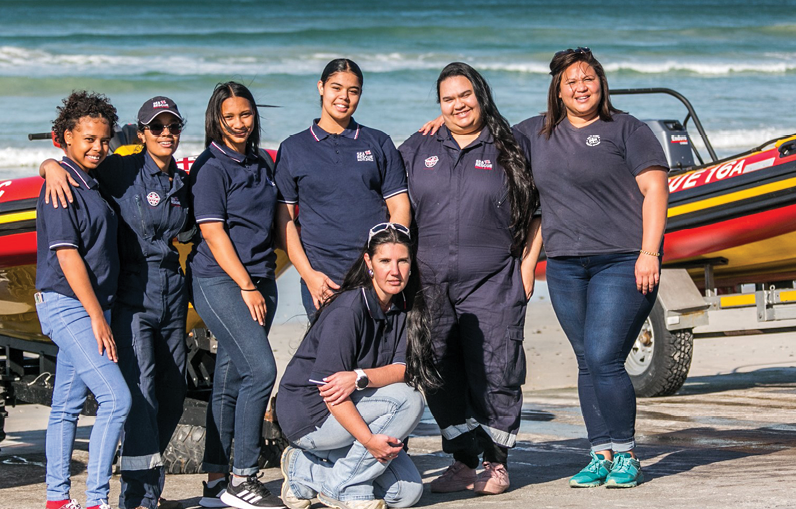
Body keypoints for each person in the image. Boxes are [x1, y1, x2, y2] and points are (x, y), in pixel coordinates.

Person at [514, 47, 669, 488]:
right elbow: (480, 132)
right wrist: (436, 128)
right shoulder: (536, 134)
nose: (581, 88)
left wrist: (649, 252)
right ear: (558, 91)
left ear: (601, 83)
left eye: (589, 79)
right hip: (564, 265)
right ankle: (598, 452)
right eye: (571, 82)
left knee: (604, 357)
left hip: (622, 260)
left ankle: (625, 453)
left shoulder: (627, 129)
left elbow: (656, 191)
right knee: (586, 361)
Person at [41, 96, 191, 509]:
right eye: (156, 127)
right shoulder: (109, 171)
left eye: (172, 127)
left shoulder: (174, 181)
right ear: (140, 134)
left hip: (160, 296)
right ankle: (116, 497)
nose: (166, 134)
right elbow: (67, 249)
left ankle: (66, 498)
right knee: (126, 397)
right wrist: (49, 165)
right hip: (109, 301)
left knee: (167, 394)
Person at [399, 62, 539, 496]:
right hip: (429, 284)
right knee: (436, 369)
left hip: (494, 282)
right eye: (448, 99)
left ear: (481, 95)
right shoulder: (418, 147)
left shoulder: (510, 147)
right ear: (439, 105)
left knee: (496, 371)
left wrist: (528, 268)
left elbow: (536, 216)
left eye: (465, 95)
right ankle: (462, 460)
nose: (459, 105)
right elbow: (385, 198)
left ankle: (495, 464)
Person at [276, 223, 440, 509]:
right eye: (385, 261)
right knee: (409, 400)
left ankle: (303, 469)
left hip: (350, 405)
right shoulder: (348, 310)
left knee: (405, 493)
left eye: (402, 261)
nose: (395, 270)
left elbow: (403, 369)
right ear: (369, 262)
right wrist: (369, 441)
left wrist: (359, 377)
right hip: (310, 416)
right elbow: (330, 393)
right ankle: (343, 488)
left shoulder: (401, 306)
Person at [187, 82, 283, 509]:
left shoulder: (261, 161)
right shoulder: (211, 167)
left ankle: (214, 484)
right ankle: (243, 477)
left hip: (261, 280)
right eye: (229, 116)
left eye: (245, 114)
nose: (239, 123)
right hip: (221, 281)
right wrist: (245, 286)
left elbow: (279, 220)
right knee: (261, 371)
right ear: (216, 119)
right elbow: (212, 231)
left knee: (229, 379)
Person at [35, 91, 131, 509]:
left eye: (103, 140)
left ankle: (58, 500)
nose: (98, 147)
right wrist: (98, 316)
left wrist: (51, 164)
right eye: (88, 139)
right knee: (116, 399)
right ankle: (96, 501)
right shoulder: (61, 186)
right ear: (66, 138)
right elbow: (67, 254)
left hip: (89, 304)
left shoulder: (90, 180)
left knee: (67, 405)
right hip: (67, 303)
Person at [275, 58, 412, 320]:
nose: (344, 97)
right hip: (322, 279)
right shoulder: (293, 148)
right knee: (331, 358)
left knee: (376, 357)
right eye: (336, 87)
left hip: (373, 275)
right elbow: (284, 220)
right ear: (321, 87)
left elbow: (400, 206)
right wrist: (309, 275)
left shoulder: (378, 142)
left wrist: (386, 264)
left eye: (353, 90)